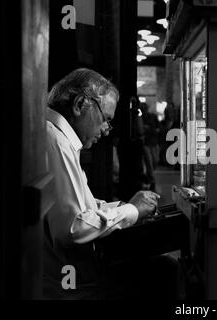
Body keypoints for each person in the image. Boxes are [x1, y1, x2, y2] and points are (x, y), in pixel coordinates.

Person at [44, 68, 160, 299]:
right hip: (61, 283)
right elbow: (72, 229)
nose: (106, 130)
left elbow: (80, 207)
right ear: (79, 104)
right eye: (106, 119)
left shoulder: (58, 137)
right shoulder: (56, 141)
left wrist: (122, 209)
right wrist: (131, 210)